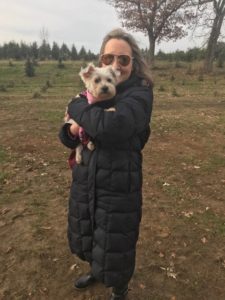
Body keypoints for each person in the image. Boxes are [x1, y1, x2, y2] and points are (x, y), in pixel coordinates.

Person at [59, 28, 153, 300]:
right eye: (108, 58)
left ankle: (120, 288)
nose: (115, 65)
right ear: (100, 63)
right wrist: (70, 131)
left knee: (116, 239)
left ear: (133, 62)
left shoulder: (140, 94)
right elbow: (66, 135)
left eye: (123, 59)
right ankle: (96, 271)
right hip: (87, 178)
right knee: (90, 231)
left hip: (119, 182)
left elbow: (113, 126)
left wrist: (76, 108)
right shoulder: (90, 93)